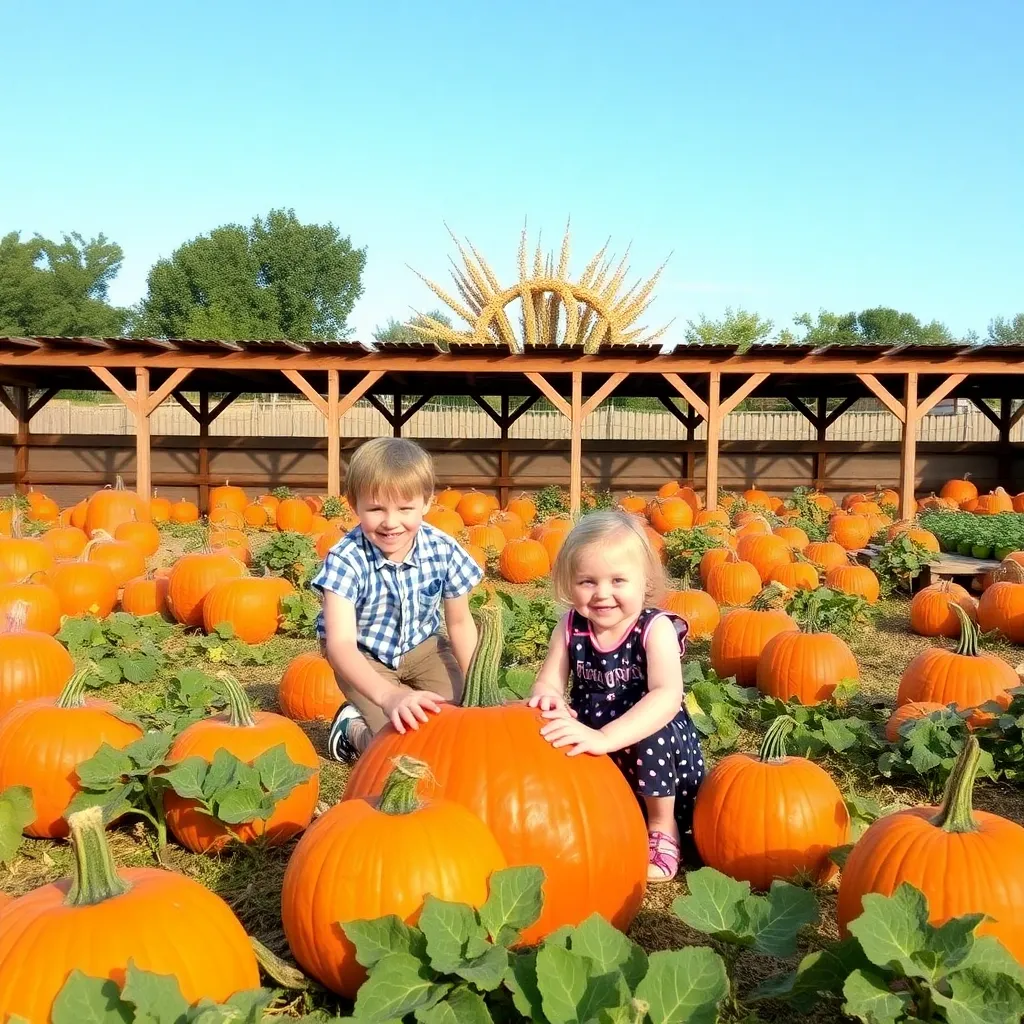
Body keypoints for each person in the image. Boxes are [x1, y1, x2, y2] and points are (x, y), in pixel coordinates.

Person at [527, 507, 705, 882]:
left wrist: (605, 737)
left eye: (618, 581)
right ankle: (600, 817)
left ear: (645, 583)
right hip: (595, 738)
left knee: (652, 734)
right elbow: (547, 683)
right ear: (568, 584)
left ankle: (661, 829)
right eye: (587, 582)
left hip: (654, 749)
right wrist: (550, 701)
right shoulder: (571, 626)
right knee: (553, 729)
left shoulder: (654, 629)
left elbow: (666, 697)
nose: (602, 594)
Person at [313, 437, 483, 762]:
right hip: (364, 655)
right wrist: (387, 695)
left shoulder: (443, 550)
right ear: (354, 506)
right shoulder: (345, 559)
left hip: (423, 648)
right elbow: (341, 645)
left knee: (460, 720)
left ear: (427, 503)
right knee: (399, 750)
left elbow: (460, 623)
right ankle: (353, 730)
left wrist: (479, 687)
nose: (391, 523)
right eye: (376, 509)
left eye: (405, 509)